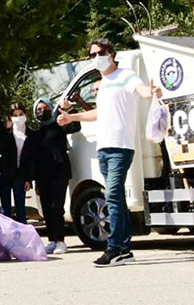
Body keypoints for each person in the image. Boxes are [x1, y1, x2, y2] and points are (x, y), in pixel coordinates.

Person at [59, 39, 162, 266]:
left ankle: (114, 248)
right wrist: (71, 117)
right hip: (104, 149)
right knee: (117, 200)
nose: (96, 57)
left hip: (120, 147)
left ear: (112, 54)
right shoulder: (104, 82)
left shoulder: (125, 75)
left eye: (100, 52)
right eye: (92, 54)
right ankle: (124, 249)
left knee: (112, 196)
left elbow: (142, 90)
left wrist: (151, 92)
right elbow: (98, 113)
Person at [22, 98, 80, 255]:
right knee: (46, 208)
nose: (42, 112)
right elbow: (30, 156)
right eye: (38, 110)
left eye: (45, 108)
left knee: (56, 207)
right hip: (42, 174)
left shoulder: (59, 125)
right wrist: (30, 178)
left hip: (59, 172)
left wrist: (69, 110)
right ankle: (52, 240)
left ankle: (61, 240)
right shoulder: (36, 133)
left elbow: (75, 126)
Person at [0, 102, 28, 222]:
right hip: (5, 175)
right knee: (5, 210)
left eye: (20, 114)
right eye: (15, 115)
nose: (18, 117)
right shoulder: (6, 133)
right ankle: (7, 237)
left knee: (21, 209)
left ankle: (23, 238)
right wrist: (6, 128)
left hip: (21, 176)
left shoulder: (31, 134)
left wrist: (29, 179)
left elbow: (31, 159)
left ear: (25, 115)